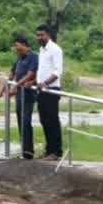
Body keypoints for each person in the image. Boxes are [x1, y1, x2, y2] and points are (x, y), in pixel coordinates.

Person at [0, 35, 38, 159]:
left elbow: (31, 74)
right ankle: (24, 151)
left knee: (26, 121)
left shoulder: (33, 57)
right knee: (20, 121)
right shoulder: (19, 57)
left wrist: (16, 86)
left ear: (24, 44)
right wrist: (2, 91)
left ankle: (28, 152)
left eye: (17, 46)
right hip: (19, 95)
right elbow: (11, 75)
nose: (16, 49)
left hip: (28, 94)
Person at [30, 23, 64, 160]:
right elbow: (42, 70)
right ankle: (49, 150)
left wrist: (45, 83)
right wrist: (35, 82)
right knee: (44, 120)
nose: (39, 37)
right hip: (42, 90)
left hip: (52, 90)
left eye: (42, 35)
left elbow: (57, 71)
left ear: (48, 34)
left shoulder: (55, 49)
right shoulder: (42, 50)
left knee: (52, 120)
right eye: (38, 35)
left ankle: (57, 152)